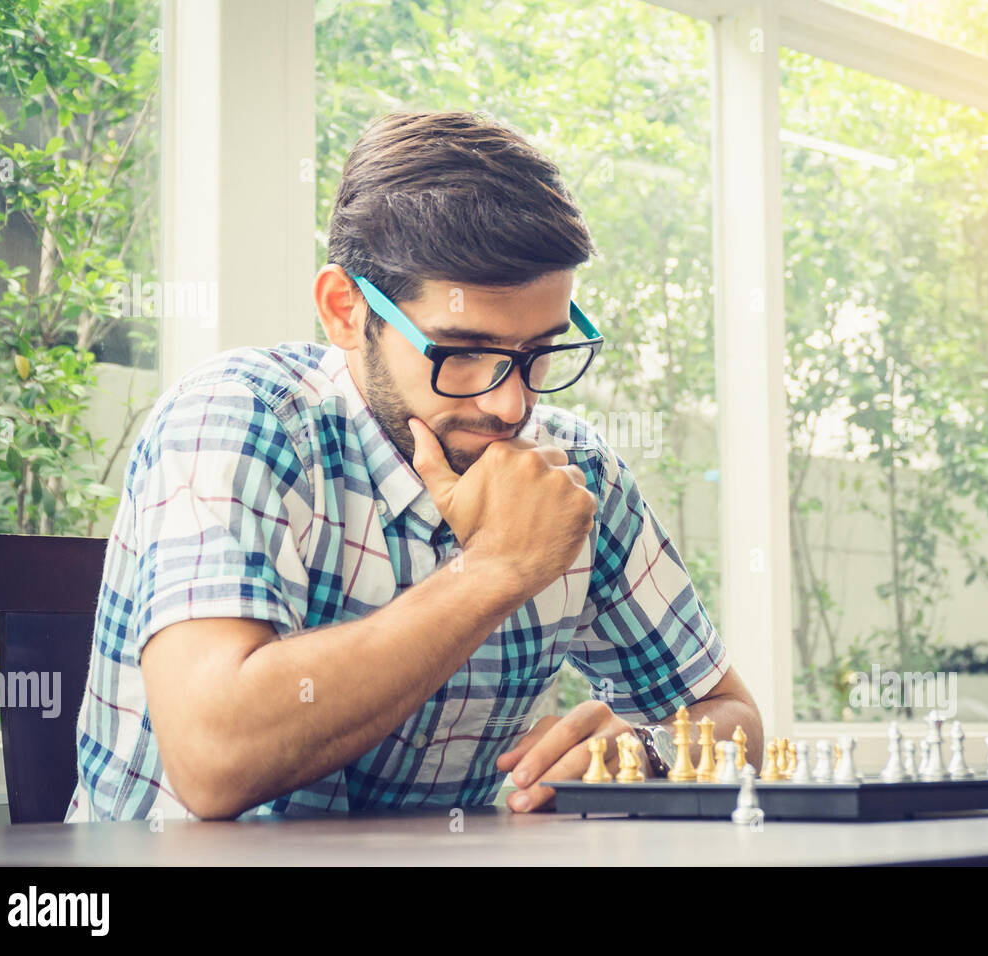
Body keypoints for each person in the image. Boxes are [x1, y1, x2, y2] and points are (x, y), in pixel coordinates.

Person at [66, 110, 762, 822]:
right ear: (345, 311)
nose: (510, 403)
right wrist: (493, 569)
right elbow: (214, 760)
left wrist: (645, 751)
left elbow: (733, 718)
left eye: (538, 351)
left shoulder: (575, 474)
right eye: (460, 352)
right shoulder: (239, 417)